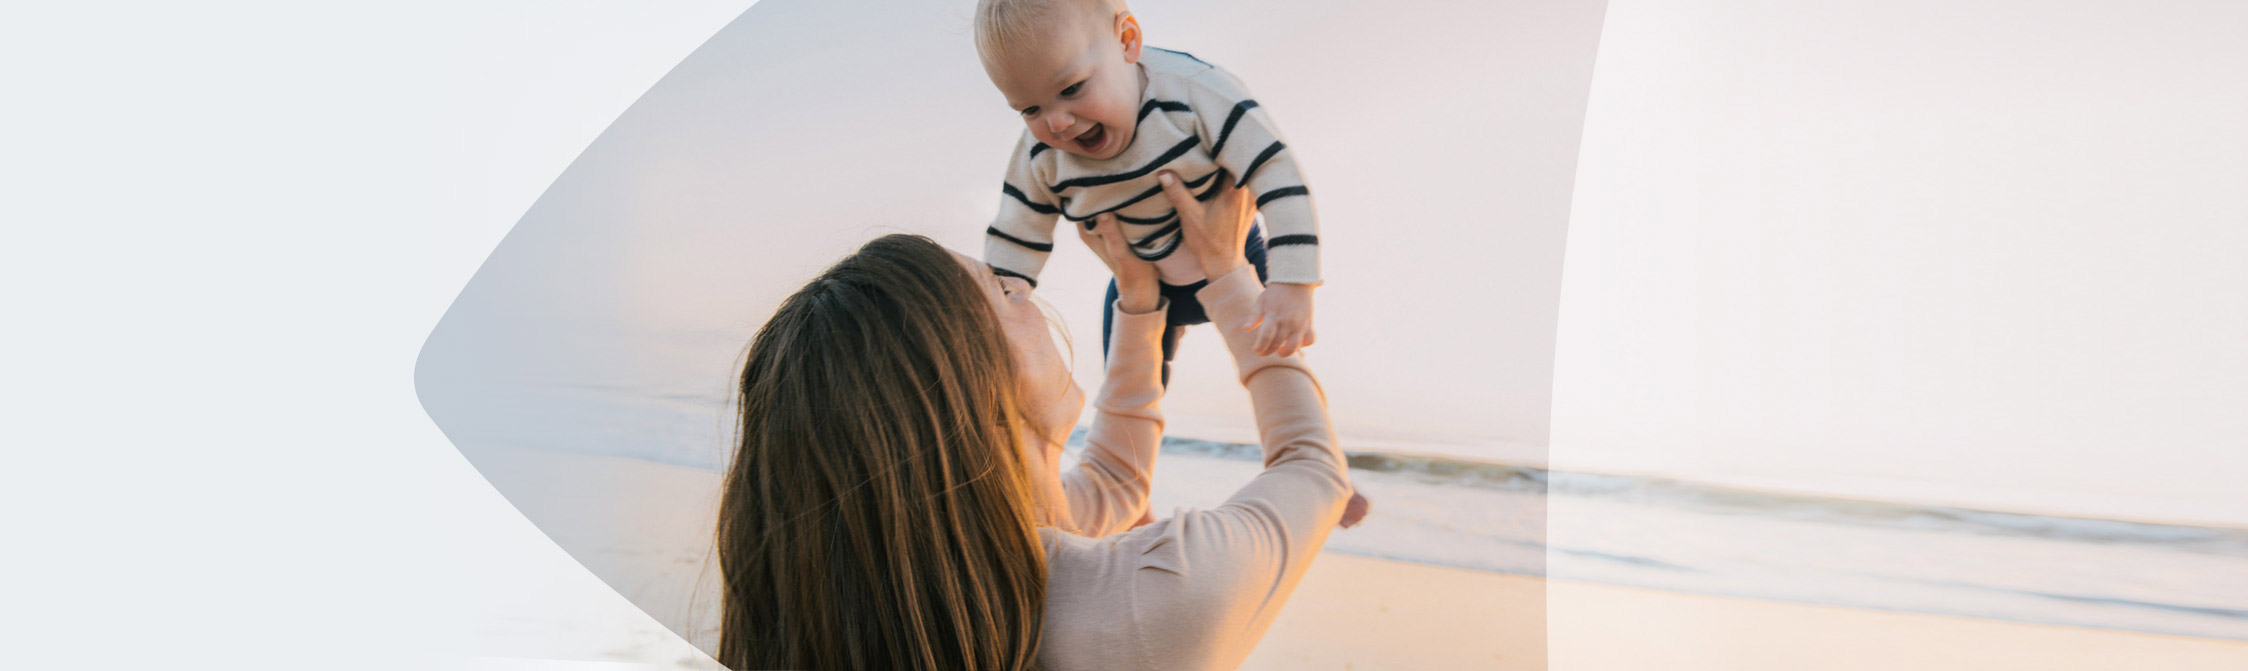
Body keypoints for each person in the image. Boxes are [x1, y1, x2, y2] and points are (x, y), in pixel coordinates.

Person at [714, 173, 1353, 670]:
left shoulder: (885, 600)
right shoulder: (1156, 591)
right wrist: (1227, 273)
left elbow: (1112, 484)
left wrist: (1139, 300)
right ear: (980, 386)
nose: (1032, 296)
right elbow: (1315, 469)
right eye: (1004, 291)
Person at [973, 0, 1370, 527]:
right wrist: (997, 318)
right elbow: (1014, 239)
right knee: (1133, 389)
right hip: (1140, 284)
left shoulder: (1193, 93)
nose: (1058, 121)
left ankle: (1329, 474)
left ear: (1127, 41)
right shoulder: (1040, 157)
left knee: (1278, 359)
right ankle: (1132, 501)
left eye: (1071, 89)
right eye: (1029, 109)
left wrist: (1295, 283)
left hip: (1235, 253)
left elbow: (1276, 170)